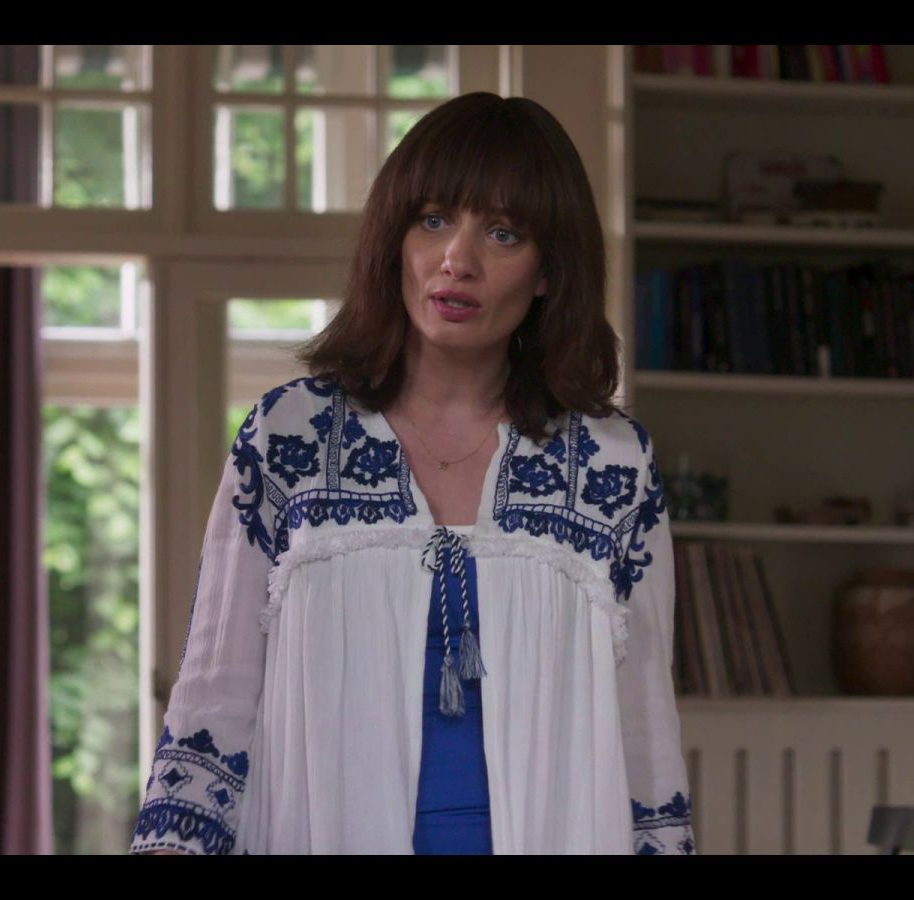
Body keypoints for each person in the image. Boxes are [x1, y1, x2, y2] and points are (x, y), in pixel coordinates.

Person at [130, 91, 695, 855]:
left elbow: (644, 723)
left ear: (548, 273)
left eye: (503, 233)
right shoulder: (289, 436)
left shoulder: (612, 464)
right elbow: (214, 696)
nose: (458, 260)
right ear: (393, 240)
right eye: (432, 220)